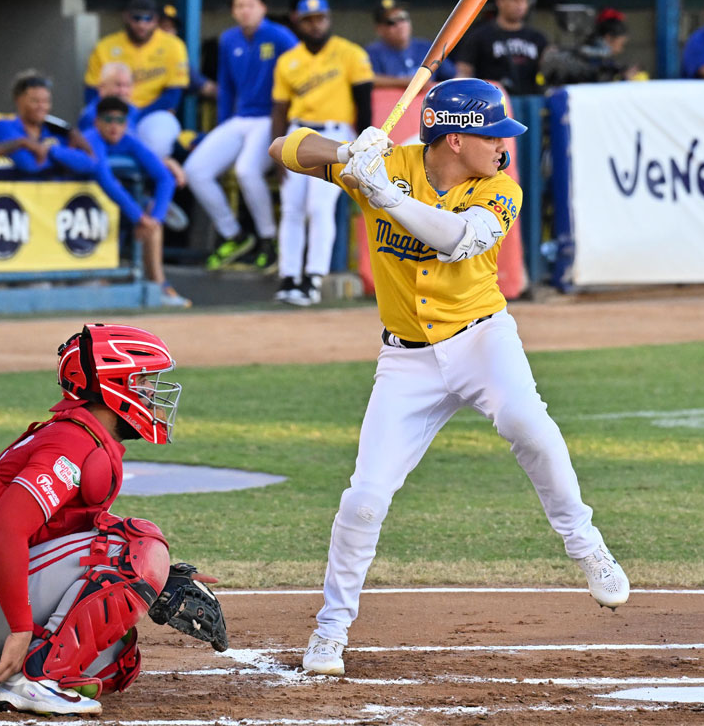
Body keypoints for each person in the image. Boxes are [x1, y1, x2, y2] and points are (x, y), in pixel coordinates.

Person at [268, 78, 630, 677]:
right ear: (456, 138)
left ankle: (586, 544)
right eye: (492, 134)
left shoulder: (499, 188)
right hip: (405, 359)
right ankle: (329, 632)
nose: (503, 145)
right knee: (363, 500)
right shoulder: (384, 163)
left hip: (482, 339)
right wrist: (344, 154)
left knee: (527, 424)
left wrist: (385, 197)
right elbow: (283, 146)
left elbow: (459, 241)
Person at [0, 324, 224, 715]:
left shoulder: (80, 435)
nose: (151, 393)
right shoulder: (72, 441)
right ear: (112, 385)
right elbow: (3, 530)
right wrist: (22, 629)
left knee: (114, 660)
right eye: (142, 381)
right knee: (138, 545)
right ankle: (34, 680)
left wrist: (153, 583)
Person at [184, 0, 298, 272]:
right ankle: (234, 235)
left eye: (250, 5)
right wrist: (222, 128)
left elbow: (302, 73)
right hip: (240, 117)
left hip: (270, 117)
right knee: (195, 170)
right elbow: (227, 89)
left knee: (247, 171)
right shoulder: (228, 39)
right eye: (238, 6)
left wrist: (287, 129)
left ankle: (268, 241)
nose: (244, 11)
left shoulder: (281, 36)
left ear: (263, 8)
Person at [270, 0, 373, 306]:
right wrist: (276, 154)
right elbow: (279, 108)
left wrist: (363, 145)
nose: (316, 24)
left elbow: (364, 103)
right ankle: (289, 277)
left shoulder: (350, 53)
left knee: (319, 207)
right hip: (298, 131)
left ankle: (313, 279)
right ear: (299, 23)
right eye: (309, 19)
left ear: (328, 19)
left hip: (335, 134)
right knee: (291, 209)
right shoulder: (288, 59)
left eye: (321, 18)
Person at [83, 97, 190, 307]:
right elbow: (105, 178)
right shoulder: (90, 139)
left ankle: (160, 287)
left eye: (120, 120)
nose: (114, 126)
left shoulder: (130, 141)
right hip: (89, 211)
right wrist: (139, 217)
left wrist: (155, 219)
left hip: (124, 212)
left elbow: (165, 178)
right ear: (97, 122)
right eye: (108, 120)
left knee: (153, 222)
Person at [86, 0, 189, 158]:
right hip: (114, 113)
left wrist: (137, 114)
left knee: (158, 143)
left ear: (156, 20)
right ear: (126, 17)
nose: (142, 24)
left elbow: (173, 95)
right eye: (137, 18)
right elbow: (92, 91)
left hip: (154, 113)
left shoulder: (173, 45)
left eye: (148, 18)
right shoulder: (105, 46)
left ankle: (155, 180)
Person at [454, 0, 548, 95]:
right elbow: (463, 72)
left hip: (532, 102)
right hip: (494, 101)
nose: (520, 4)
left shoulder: (538, 38)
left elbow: (547, 74)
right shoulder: (480, 35)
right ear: (499, 0)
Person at [0, 73, 93, 176]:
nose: (41, 107)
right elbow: (30, 164)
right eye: (35, 101)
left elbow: (90, 164)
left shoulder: (56, 131)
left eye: (46, 101)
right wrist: (66, 159)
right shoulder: (2, 127)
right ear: (18, 100)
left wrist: (51, 149)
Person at [366, 0, 457, 89]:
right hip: (392, 103)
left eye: (403, 18)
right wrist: (406, 82)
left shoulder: (426, 47)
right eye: (391, 22)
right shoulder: (372, 52)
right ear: (379, 29)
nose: (400, 25)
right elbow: (367, 80)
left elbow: (453, 76)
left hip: (426, 102)